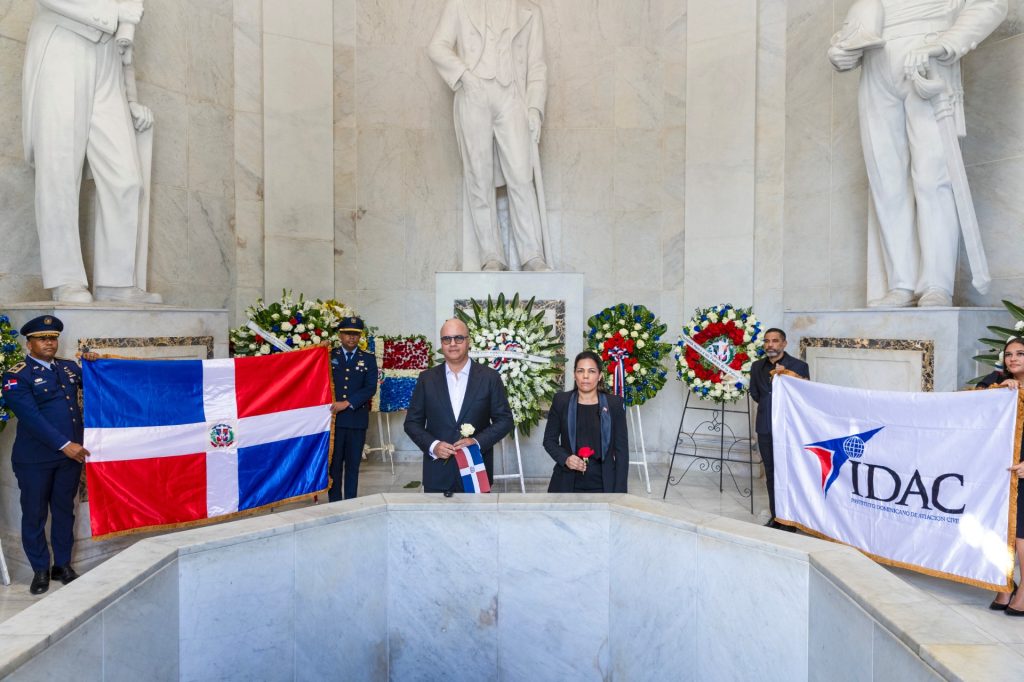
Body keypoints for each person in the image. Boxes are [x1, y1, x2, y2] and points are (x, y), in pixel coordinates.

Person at [827, 0, 1007, 308]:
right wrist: (843, 50)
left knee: (932, 178)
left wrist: (947, 43)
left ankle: (936, 284)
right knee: (887, 182)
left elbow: (991, 4)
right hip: (875, 63)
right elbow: (859, 21)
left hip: (927, 55)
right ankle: (901, 283)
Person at [23, 0, 161, 303]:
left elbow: (124, 43)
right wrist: (112, 14)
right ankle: (66, 278)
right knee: (59, 169)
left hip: (108, 59)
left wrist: (132, 99)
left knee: (125, 179)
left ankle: (116, 282)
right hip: (63, 43)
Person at [428, 0, 552, 272]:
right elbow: (437, 46)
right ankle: (490, 254)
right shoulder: (459, 5)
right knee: (478, 176)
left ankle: (532, 254)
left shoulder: (530, 11)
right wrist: (465, 76)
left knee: (521, 175)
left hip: (513, 97)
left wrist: (534, 108)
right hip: (474, 94)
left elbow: (538, 66)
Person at [0, 315, 97, 594]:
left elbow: (96, 381)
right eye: (43, 338)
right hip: (35, 460)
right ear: (29, 343)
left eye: (52, 338)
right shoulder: (17, 375)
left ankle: (62, 565)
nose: (49, 343)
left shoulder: (67, 368)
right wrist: (65, 444)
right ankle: (40, 569)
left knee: (65, 511)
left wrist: (95, 363)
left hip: (70, 457)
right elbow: (31, 417)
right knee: (34, 514)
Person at [404, 318, 513, 493]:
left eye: (458, 338)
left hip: (475, 472)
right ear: (441, 343)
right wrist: (433, 446)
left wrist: (476, 442)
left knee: (477, 520)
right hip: (437, 473)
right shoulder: (427, 379)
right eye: (447, 339)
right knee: (435, 521)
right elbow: (411, 423)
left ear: (468, 341)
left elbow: (505, 420)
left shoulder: (489, 378)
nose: (452, 344)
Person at [975, 336, 1024, 615]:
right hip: (1000, 469)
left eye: (1020, 353)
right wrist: (998, 390)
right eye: (1009, 354)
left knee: (1021, 535)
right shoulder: (996, 381)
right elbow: (972, 408)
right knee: (999, 527)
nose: (1013, 358)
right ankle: (1005, 585)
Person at [749, 328, 810, 530]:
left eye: (775, 341)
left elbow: (804, 396)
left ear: (784, 344)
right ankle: (777, 517)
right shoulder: (757, 367)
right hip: (765, 427)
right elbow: (756, 394)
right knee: (771, 473)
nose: (770, 345)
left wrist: (786, 378)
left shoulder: (799, 366)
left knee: (791, 473)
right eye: (767, 341)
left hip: (790, 429)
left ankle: (792, 518)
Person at [543, 350, 629, 493]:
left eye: (592, 371)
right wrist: (566, 459)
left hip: (604, 484)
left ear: (600, 376)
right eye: (580, 371)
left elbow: (622, 451)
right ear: (574, 374)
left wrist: (620, 491)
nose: (586, 376)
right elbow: (549, 441)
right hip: (567, 481)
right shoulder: (561, 401)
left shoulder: (614, 404)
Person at [328, 317, 378, 502]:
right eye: (348, 333)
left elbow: (370, 387)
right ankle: (334, 501)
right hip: (335, 420)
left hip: (356, 419)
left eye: (356, 334)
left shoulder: (368, 359)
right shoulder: (329, 356)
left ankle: (351, 501)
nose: (352, 338)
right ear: (340, 335)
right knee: (334, 465)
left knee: (353, 465)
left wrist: (347, 403)